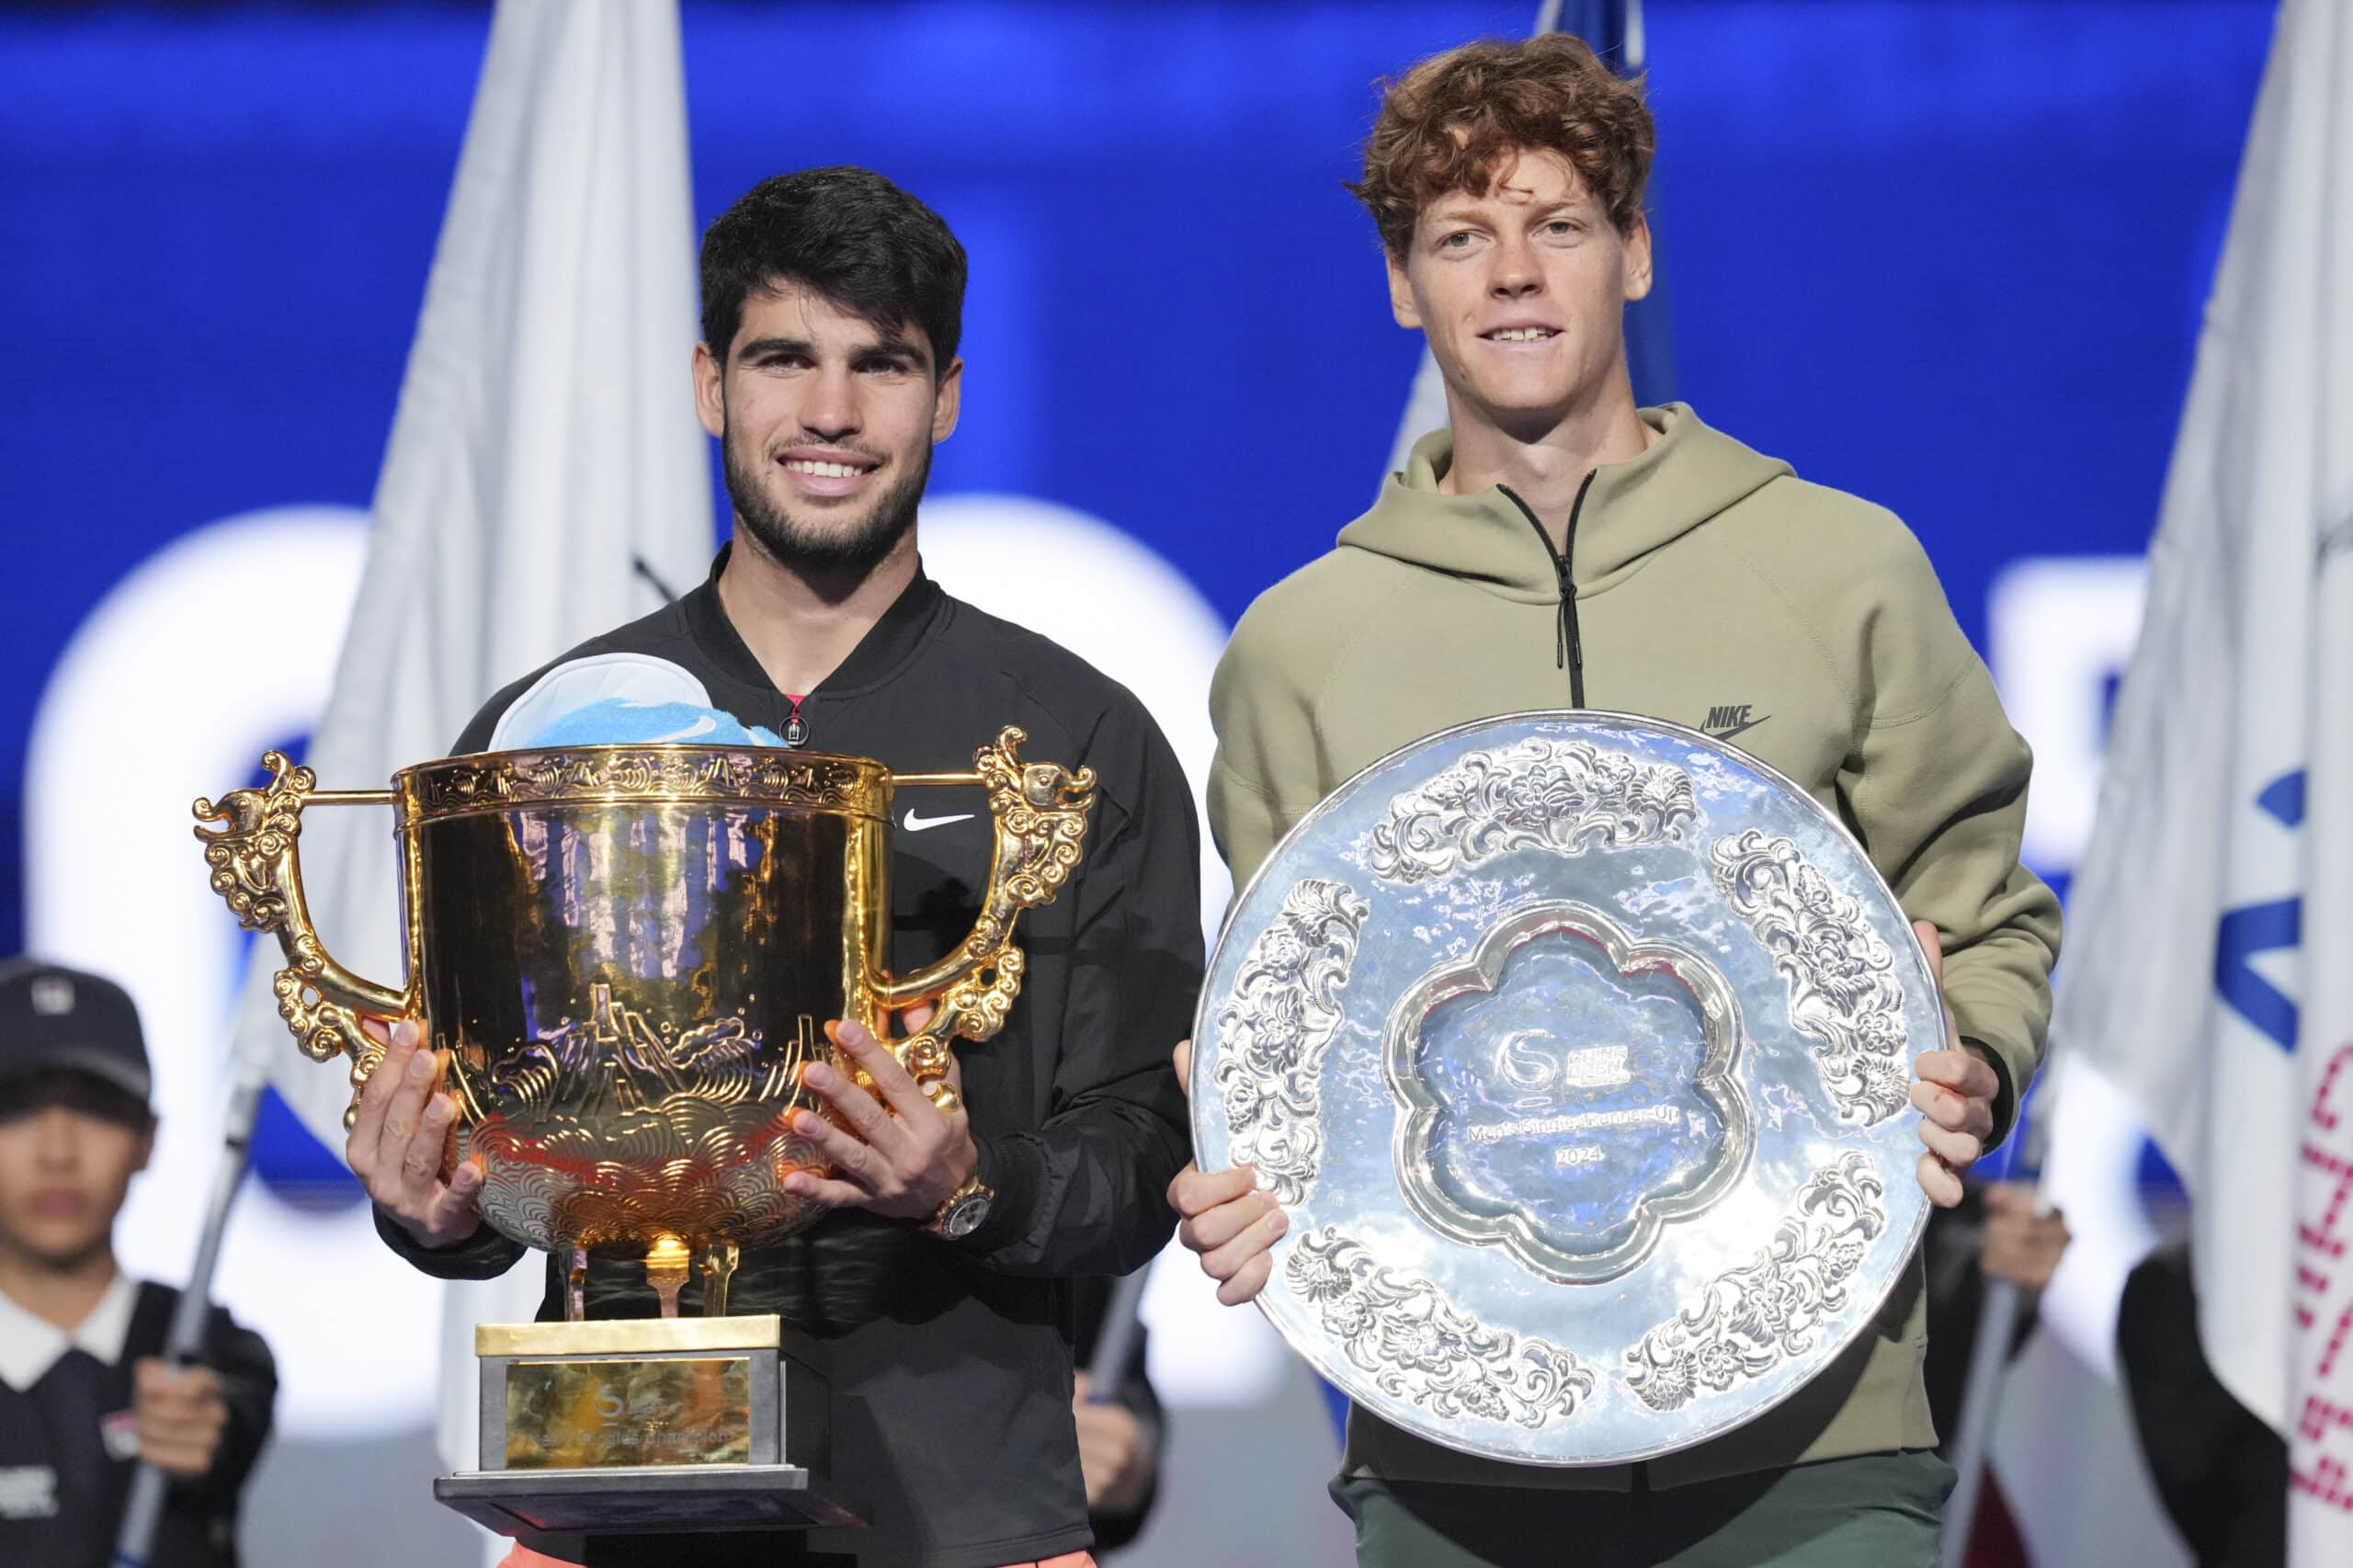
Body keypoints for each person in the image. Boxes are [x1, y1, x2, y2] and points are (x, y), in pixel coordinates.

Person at [1169, 33, 2061, 1567]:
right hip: (1454, 1466)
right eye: (1462, 236)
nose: (1514, 275)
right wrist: (1238, 1162)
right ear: (1403, 286)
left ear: (1634, 254)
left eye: (1558, 225)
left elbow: (1983, 914)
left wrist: (1972, 1056)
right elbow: (1301, 1034)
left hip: (1821, 1438)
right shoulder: (1300, 645)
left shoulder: (1839, 568)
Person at [344, 165, 1201, 1568]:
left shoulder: (1076, 737)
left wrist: (971, 1186)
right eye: (784, 358)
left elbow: (1147, 1140)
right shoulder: (548, 741)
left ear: (950, 395)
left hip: (968, 1517)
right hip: (606, 1504)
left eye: (883, 365)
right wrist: (436, 1211)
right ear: (708, 382)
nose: (830, 412)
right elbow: (485, 1152)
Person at [0, 960, 276, 1568]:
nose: (57, 1152)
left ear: (148, 1138)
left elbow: (231, 1408)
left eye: (95, 1109)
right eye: (16, 1108)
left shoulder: (215, 1346)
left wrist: (208, 1423)